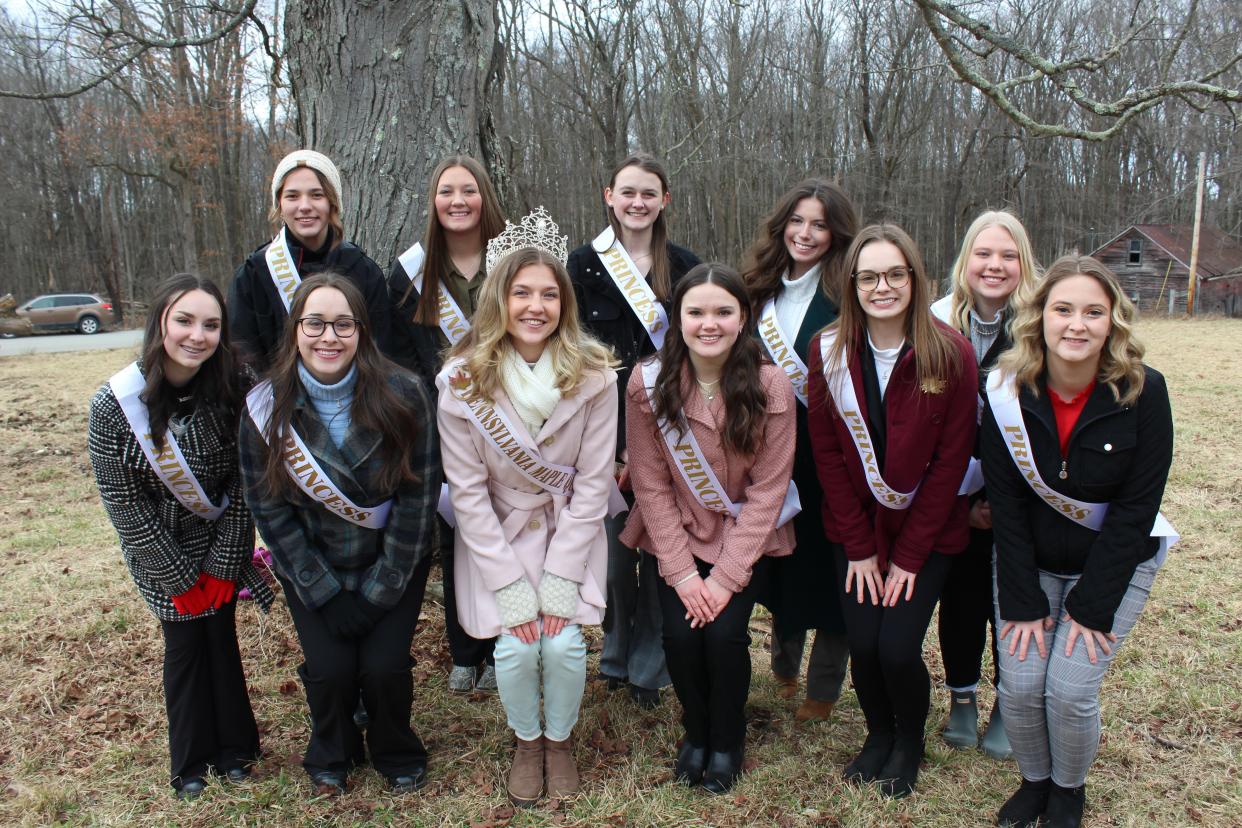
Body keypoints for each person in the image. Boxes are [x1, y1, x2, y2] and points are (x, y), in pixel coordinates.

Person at [982, 256, 1174, 828]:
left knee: (1067, 690)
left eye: (1094, 312)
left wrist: (1093, 607)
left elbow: (1137, 510)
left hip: (1111, 565)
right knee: (1018, 686)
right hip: (1030, 563)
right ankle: (1034, 782)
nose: (1077, 324)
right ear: (1039, 317)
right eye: (1063, 309)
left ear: (1113, 321)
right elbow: (1006, 507)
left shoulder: (1146, 391)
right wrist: (1020, 599)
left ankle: (1068, 791)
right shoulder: (1005, 392)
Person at [436, 208, 619, 807]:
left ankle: (559, 741)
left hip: (570, 527)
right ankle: (526, 741)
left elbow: (594, 484)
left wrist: (563, 574)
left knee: (563, 641)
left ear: (565, 302)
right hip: (498, 535)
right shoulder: (462, 381)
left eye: (548, 293)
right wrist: (508, 580)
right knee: (517, 643)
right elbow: (466, 491)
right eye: (521, 293)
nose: (535, 306)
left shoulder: (594, 375)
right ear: (499, 300)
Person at [238, 272, 440, 796]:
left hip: (391, 561)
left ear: (362, 332)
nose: (329, 337)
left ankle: (395, 745)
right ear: (295, 330)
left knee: (383, 667)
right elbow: (267, 508)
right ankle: (334, 745)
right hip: (314, 565)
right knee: (329, 671)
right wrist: (322, 592)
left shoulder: (405, 393)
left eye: (343, 325)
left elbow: (419, 500)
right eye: (315, 324)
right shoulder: (264, 407)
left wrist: (380, 591)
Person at [807, 224, 977, 798]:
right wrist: (858, 546)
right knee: (864, 641)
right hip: (854, 532)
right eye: (870, 276)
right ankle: (878, 735)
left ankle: (910, 743)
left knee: (897, 646)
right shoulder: (827, 351)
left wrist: (906, 558)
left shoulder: (952, 352)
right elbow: (827, 452)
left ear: (916, 278)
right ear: (852, 284)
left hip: (925, 534)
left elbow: (953, 465)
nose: (883, 287)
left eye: (896, 274)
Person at [88, 273, 273, 800]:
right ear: (160, 325)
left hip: (221, 537)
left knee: (221, 633)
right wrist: (178, 577)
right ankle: (191, 761)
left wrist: (222, 564)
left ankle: (238, 749)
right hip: (159, 546)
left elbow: (244, 483)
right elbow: (125, 506)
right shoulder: (114, 405)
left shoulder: (236, 386)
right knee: (186, 641)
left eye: (211, 325)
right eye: (185, 321)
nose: (198, 335)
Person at [622, 263, 797, 794]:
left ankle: (726, 739)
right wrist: (681, 573)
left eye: (723, 311)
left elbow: (769, 490)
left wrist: (722, 579)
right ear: (677, 319)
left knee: (722, 636)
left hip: (745, 537)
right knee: (678, 636)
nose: (709, 323)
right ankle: (694, 733)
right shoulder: (647, 383)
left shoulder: (770, 385)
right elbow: (650, 487)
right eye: (695, 312)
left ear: (743, 318)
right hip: (675, 531)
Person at [568, 152, 700, 709]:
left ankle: (652, 663)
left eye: (649, 193)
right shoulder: (581, 265)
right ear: (608, 196)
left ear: (664, 200)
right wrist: (608, 444)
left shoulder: (686, 265)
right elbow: (570, 350)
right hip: (603, 435)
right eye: (628, 192)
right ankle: (615, 653)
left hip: (673, 432)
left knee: (664, 549)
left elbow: (700, 348)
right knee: (617, 555)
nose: (637, 203)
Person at [388, 155, 507, 694]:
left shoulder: (513, 260)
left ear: (485, 197)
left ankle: (508, 642)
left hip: (511, 421)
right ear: (433, 204)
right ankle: (466, 648)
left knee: (510, 528)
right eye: (446, 192)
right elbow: (396, 356)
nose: (457, 201)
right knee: (456, 532)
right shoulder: (410, 273)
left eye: (468, 190)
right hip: (440, 425)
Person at [740, 178, 857, 723]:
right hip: (765, 450)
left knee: (830, 566)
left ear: (835, 232)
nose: (806, 234)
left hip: (829, 452)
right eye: (797, 221)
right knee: (781, 560)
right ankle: (783, 666)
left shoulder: (848, 292)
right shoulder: (755, 286)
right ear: (782, 224)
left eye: (819, 224)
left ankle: (825, 686)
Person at [930, 210, 1040, 759]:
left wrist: (1000, 500)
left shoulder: (1041, 327)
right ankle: (962, 699)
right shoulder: (934, 321)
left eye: (1008, 255)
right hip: (954, 491)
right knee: (963, 595)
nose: (994, 266)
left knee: (1013, 601)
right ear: (965, 260)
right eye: (983, 253)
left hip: (1020, 496)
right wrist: (962, 499)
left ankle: (1008, 703)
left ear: (1024, 264)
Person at [229, 149, 396, 373]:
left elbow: (381, 352)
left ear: (332, 202)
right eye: (292, 196)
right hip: (276, 402)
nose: (305, 205)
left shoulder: (363, 270)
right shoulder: (254, 275)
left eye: (316, 195)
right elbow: (244, 359)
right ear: (279, 205)